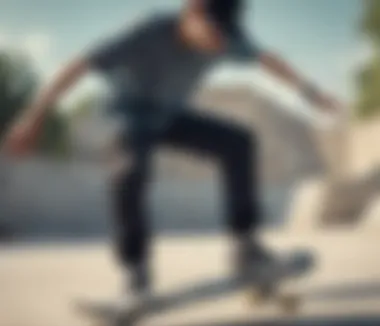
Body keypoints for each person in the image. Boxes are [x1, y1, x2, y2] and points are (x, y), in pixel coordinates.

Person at [2, 0, 341, 301]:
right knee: (131, 171)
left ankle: (245, 246)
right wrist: (32, 117)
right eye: (211, 34)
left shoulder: (226, 37)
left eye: (223, 38)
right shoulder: (146, 31)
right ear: (192, 10)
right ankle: (135, 272)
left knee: (239, 142)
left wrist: (311, 93)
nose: (216, 46)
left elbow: (269, 60)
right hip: (127, 118)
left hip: (170, 117)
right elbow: (78, 65)